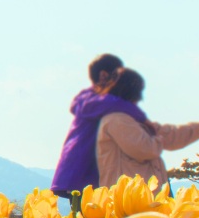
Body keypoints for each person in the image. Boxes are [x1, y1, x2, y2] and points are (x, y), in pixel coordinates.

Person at [94, 68, 199, 187]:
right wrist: (159, 140)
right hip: (128, 203)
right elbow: (144, 149)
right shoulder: (116, 120)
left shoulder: (134, 120)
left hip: (144, 198)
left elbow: (173, 136)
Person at [51, 54, 149, 202]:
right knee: (86, 212)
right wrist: (142, 118)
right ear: (104, 75)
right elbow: (113, 104)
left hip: (89, 168)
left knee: (92, 212)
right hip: (82, 168)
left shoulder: (96, 98)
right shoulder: (93, 99)